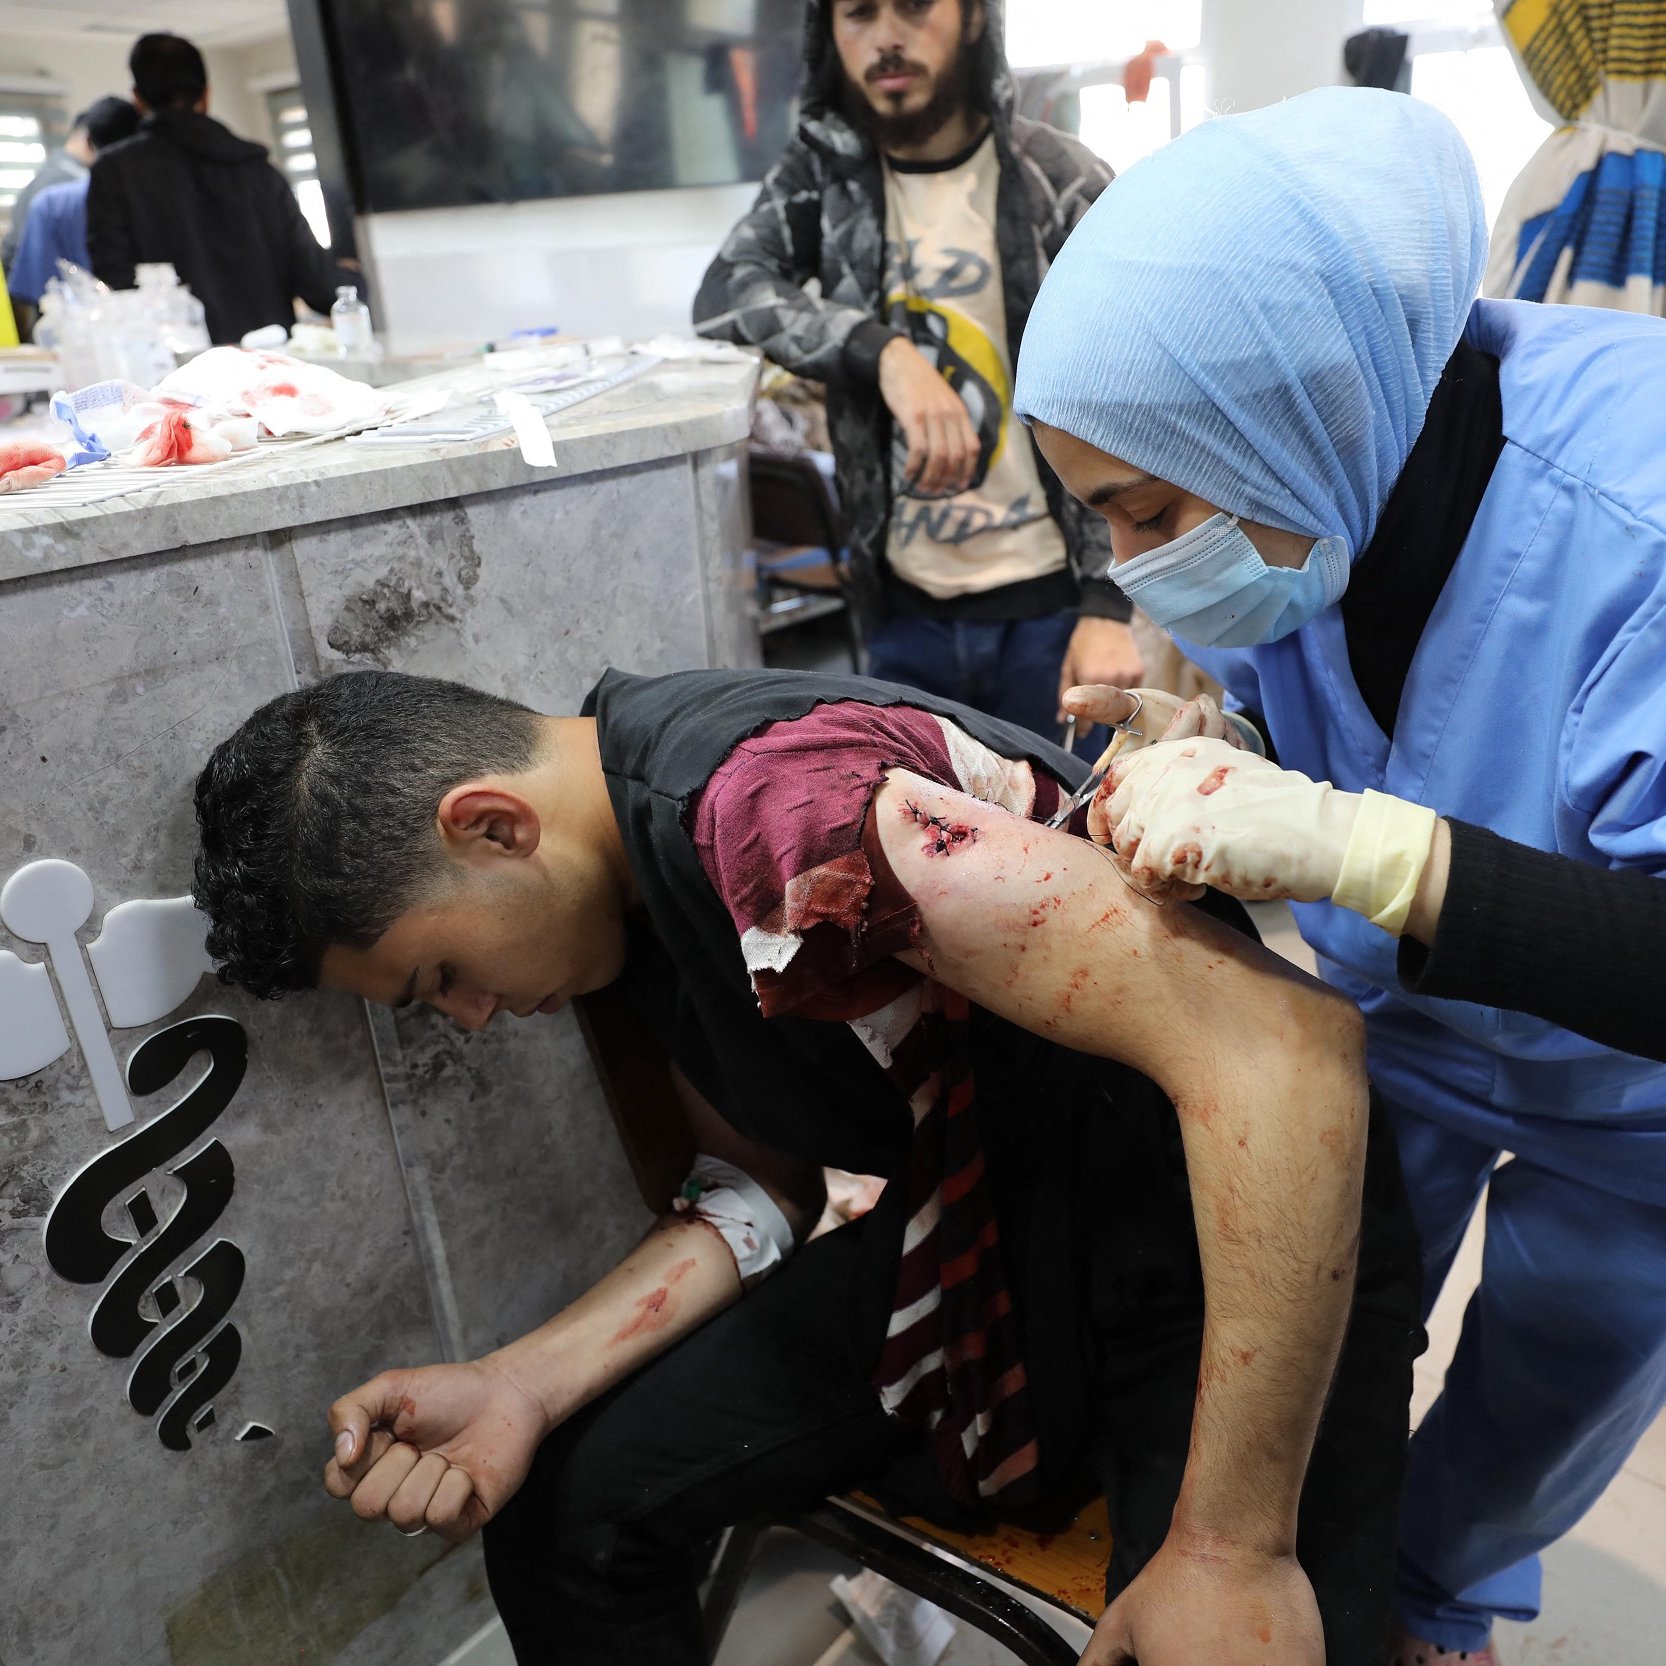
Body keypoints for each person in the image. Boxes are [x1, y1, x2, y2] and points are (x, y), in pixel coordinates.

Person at [192, 664, 1424, 1665]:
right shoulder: (613, 882)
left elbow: (1284, 1051)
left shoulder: (784, 813)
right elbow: (753, 1191)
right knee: (567, 1515)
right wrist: (519, 1384)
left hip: (1230, 1233)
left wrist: (1228, 1551)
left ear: (490, 824)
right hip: (996, 1219)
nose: (468, 1016)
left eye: (439, 978)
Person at [1013, 85, 1666, 1666]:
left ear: (1294, 418)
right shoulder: (1332, 470)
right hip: (1403, 1020)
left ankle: (1440, 1596)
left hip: (1634, 1089)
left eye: (1153, 514)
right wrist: (1222, 734)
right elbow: (1375, 711)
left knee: (1549, 1383)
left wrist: (1347, 842)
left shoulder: (1632, 522)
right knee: (1321, 1323)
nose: (1136, 566)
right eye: (1106, 521)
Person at [694, 0, 1143, 752]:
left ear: (973, 18)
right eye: (859, 14)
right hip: (900, 618)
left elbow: (1136, 389)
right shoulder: (822, 178)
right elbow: (726, 293)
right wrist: (881, 352)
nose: (887, 37)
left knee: (1075, 821)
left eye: (912, 6)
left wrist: (1109, 602)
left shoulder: (1058, 177)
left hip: (1055, 614)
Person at [86, 33, 352, 344]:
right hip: (268, 357)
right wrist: (355, 280)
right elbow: (319, 286)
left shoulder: (114, 172)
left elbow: (116, 284)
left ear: (138, 99)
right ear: (206, 95)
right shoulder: (259, 171)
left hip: (178, 366)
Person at [5, 99, 141, 313]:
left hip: (70, 322)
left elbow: (31, 289)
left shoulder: (52, 200)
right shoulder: (155, 197)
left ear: (88, 140)